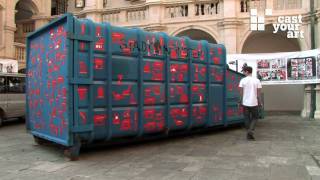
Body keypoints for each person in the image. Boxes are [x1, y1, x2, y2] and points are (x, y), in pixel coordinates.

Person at [238, 66, 262, 140]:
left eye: (244, 71)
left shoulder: (243, 80)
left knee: (246, 118)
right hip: (254, 103)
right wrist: (260, 102)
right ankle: (250, 131)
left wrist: (240, 101)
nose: (243, 72)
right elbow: (258, 94)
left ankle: (249, 132)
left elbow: (241, 92)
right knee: (255, 117)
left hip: (245, 103)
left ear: (247, 72)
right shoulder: (257, 80)